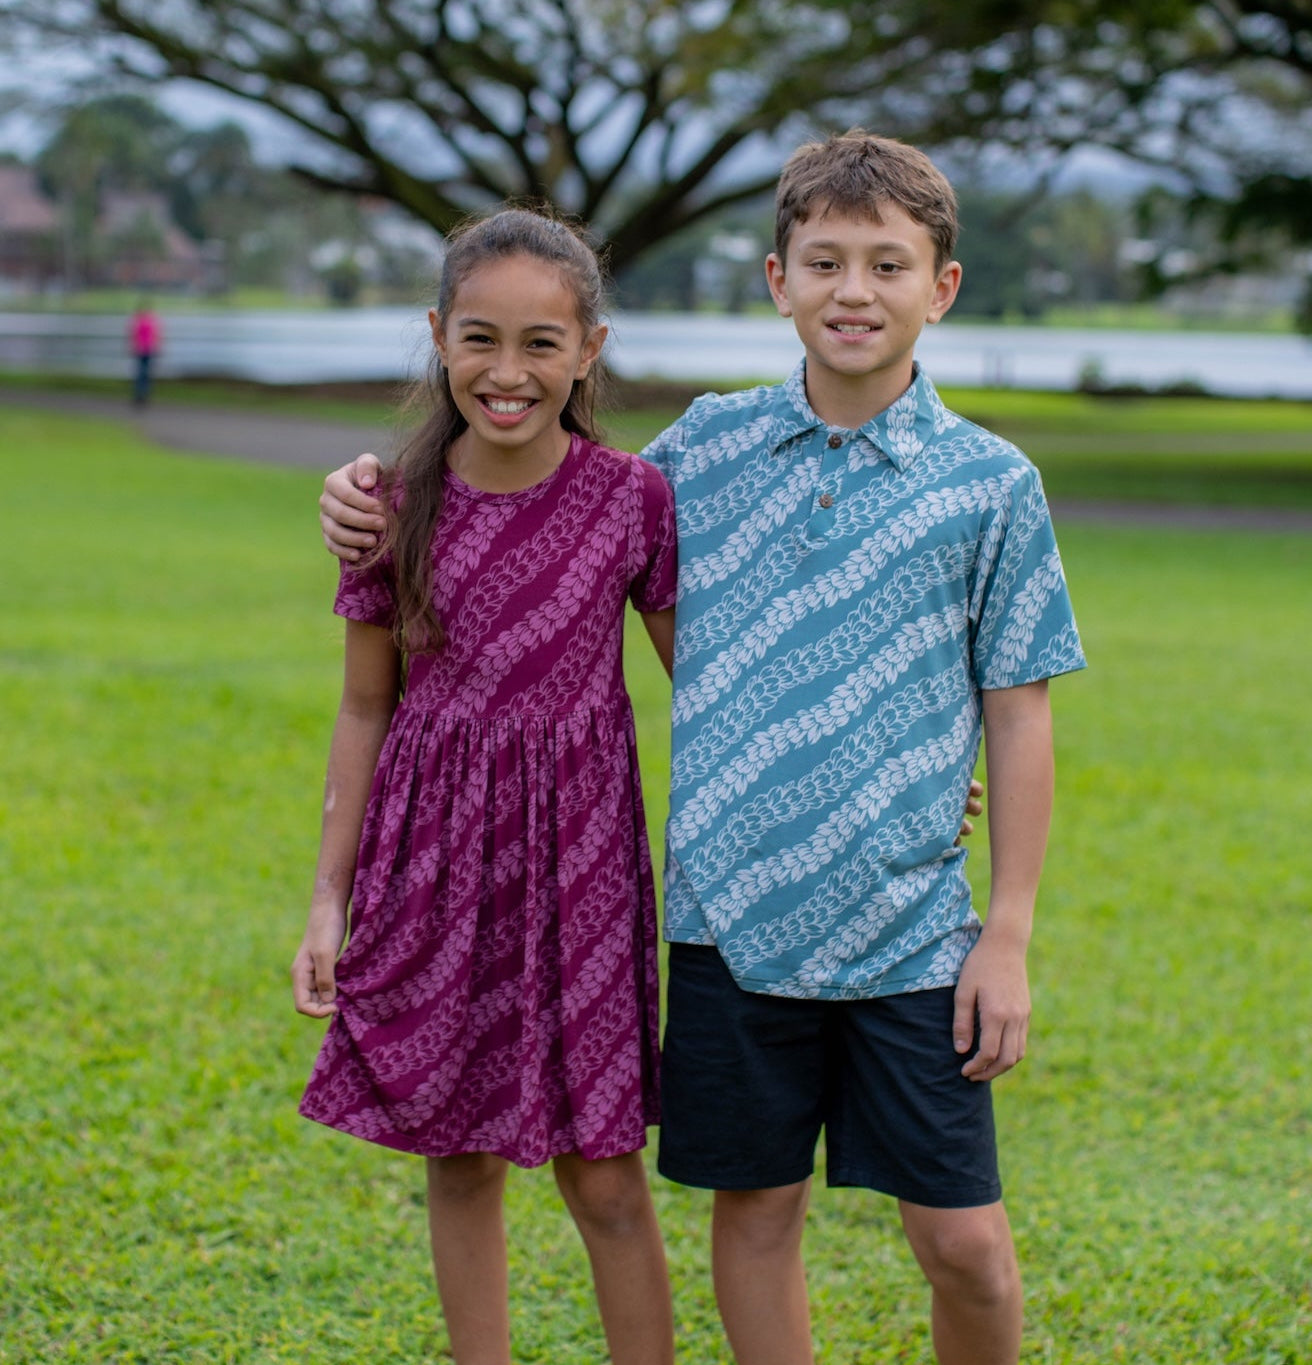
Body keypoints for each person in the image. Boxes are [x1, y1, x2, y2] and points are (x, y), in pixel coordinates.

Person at [318, 130, 1085, 1365]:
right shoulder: (696, 458)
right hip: (730, 926)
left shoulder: (991, 485)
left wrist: (1007, 930)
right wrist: (365, 487)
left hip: (913, 934)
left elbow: (1021, 706)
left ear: (941, 288)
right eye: (823, 262)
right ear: (776, 279)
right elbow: (533, 479)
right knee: (756, 1215)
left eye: (887, 266)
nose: (853, 291)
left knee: (964, 1248)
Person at [291, 207, 678, 1365]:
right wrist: (328, 899)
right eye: (480, 339)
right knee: (456, 1158)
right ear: (437, 336)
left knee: (604, 1176)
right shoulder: (390, 507)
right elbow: (366, 706)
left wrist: (863, 777)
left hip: (583, 871)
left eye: (541, 345)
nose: (508, 373)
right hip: (432, 866)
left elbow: (706, 689)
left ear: (589, 353)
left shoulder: (630, 501)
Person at [127, 303, 162, 406]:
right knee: (144, 372)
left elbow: (133, 334)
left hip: (143, 349)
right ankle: (143, 394)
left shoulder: (138, 320)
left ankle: (141, 394)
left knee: (142, 372)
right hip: (146, 349)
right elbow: (156, 335)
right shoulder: (151, 320)